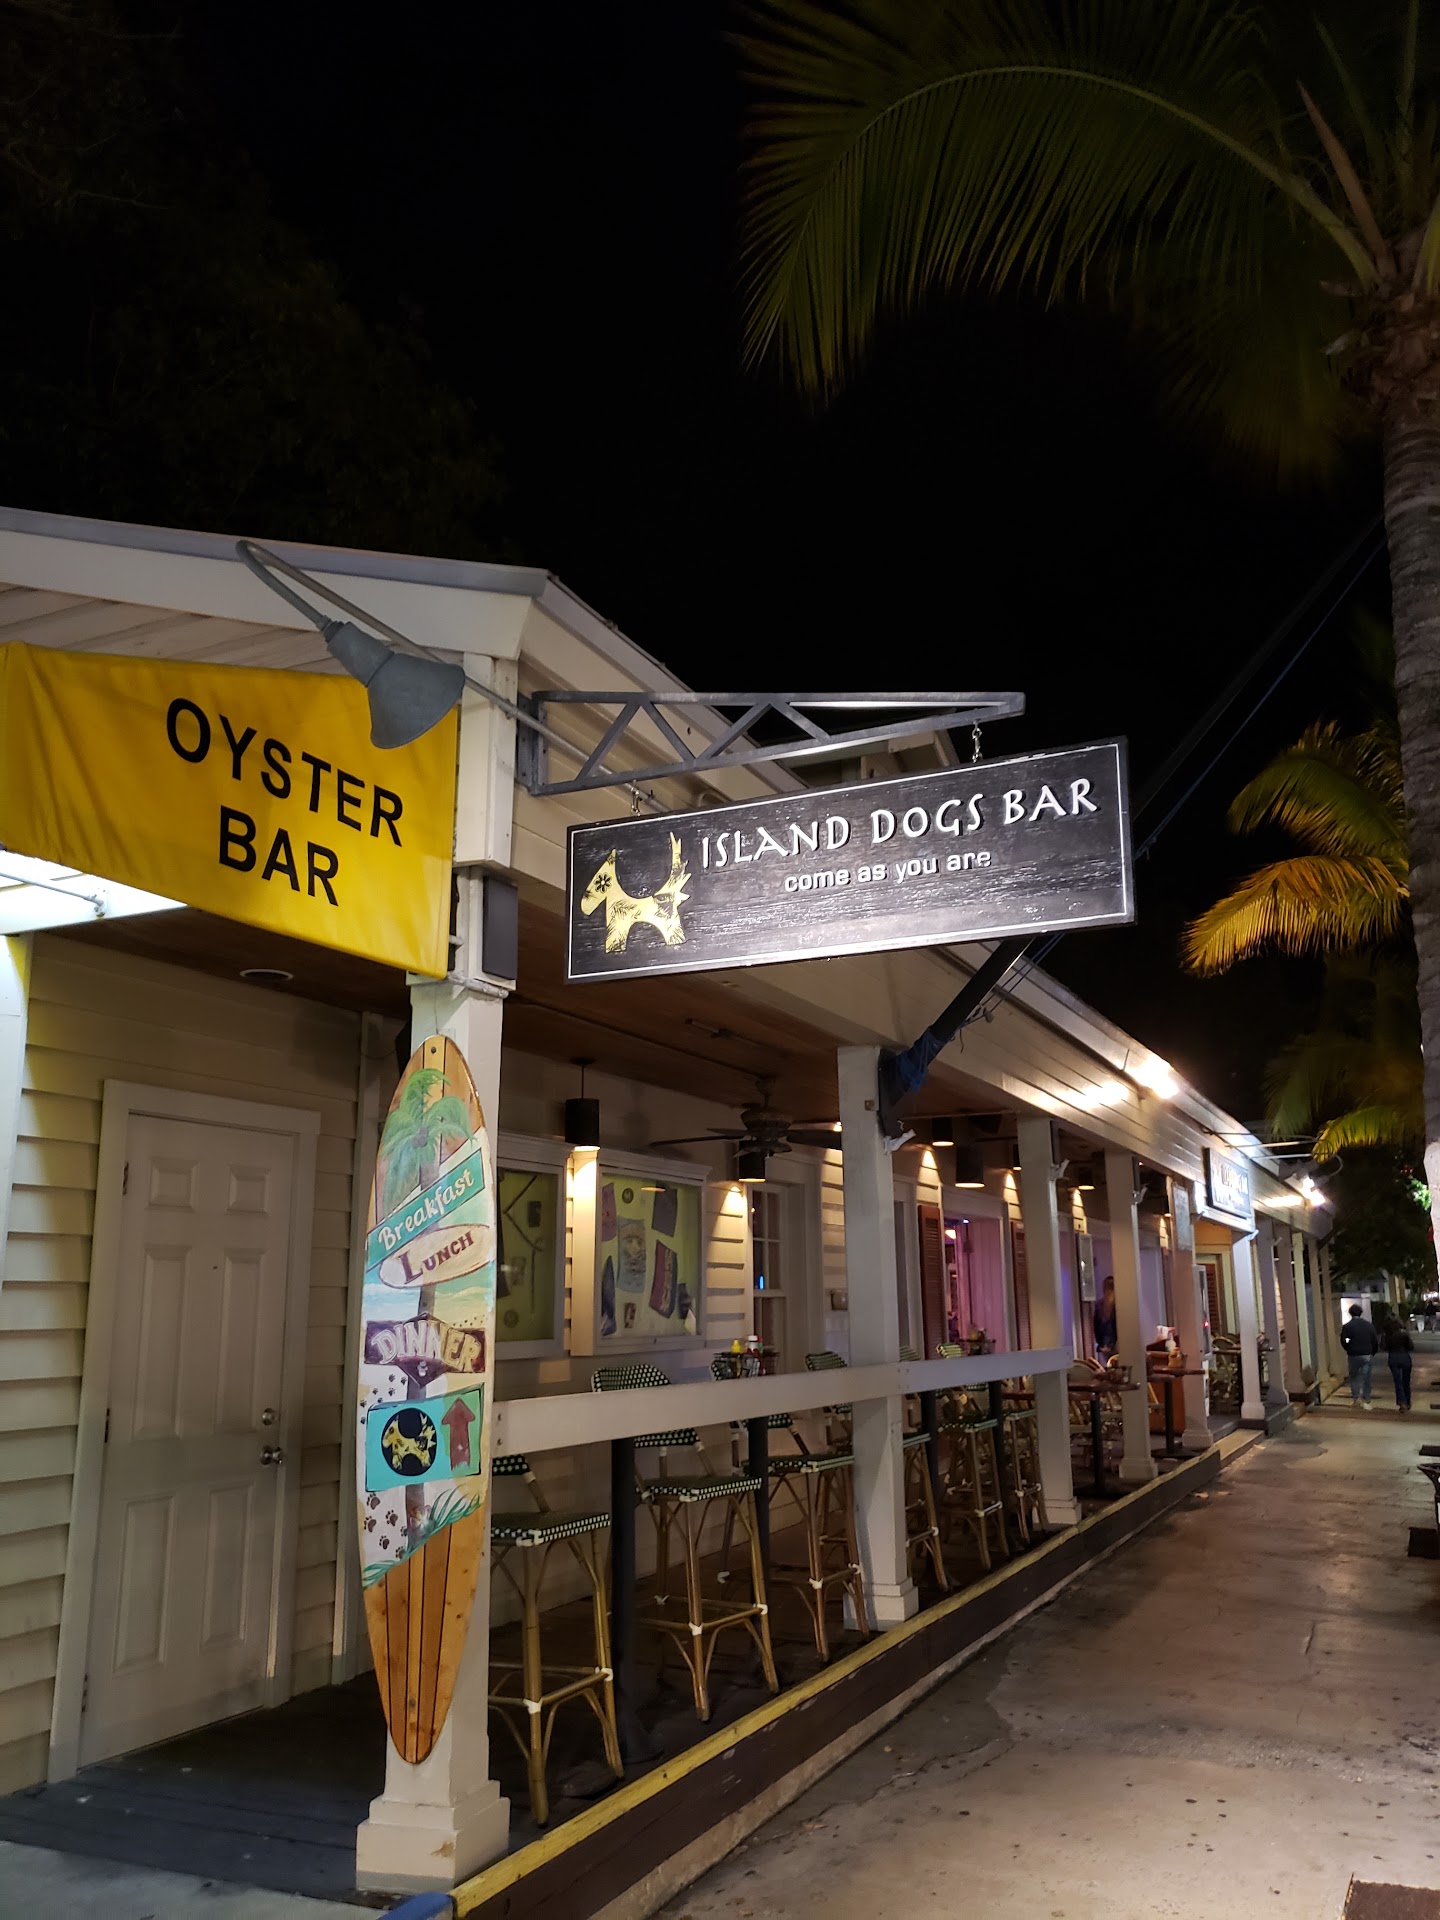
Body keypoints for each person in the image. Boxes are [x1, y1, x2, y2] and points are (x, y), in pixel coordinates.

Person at [1339, 1303, 1380, 1409]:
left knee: (1354, 1377)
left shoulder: (1348, 1326)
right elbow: (1374, 1341)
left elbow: (1343, 1340)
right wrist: (1372, 1352)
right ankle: (1366, 1398)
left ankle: (1356, 1398)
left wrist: (1348, 1348)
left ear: (1350, 1313)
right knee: (1366, 1377)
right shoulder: (1368, 1325)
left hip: (1353, 1354)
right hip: (1366, 1354)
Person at [1385, 1319, 1414, 1413]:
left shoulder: (1388, 1336)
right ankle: (1408, 1401)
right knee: (1406, 1381)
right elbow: (1411, 1347)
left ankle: (1402, 1402)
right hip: (1405, 1357)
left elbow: (1384, 1347)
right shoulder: (1404, 1335)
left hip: (1393, 1357)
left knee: (1398, 1382)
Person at [1093, 1276, 1118, 1360]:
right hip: (1115, 1344)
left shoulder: (1099, 1305)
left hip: (1103, 1344)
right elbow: (1116, 1327)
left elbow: (1096, 1326)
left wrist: (1101, 1344)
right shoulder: (1118, 1304)